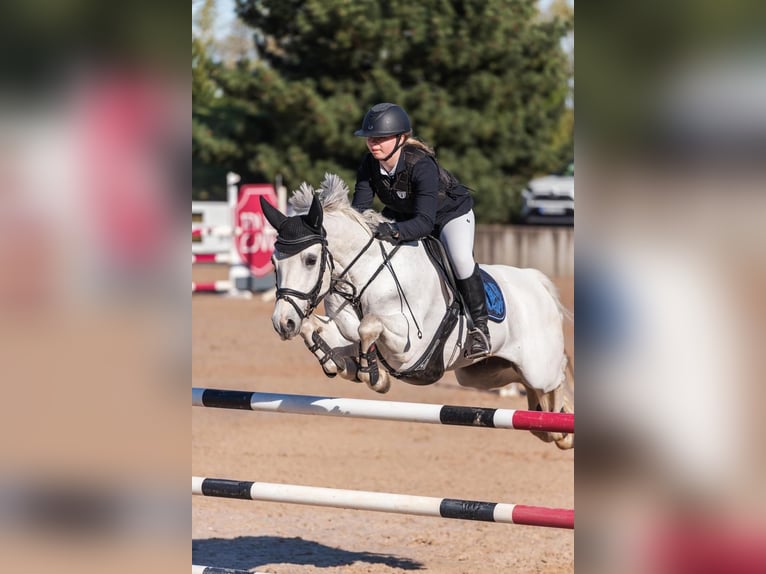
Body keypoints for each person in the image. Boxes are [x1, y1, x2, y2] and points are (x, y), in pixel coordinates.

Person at [352, 102, 490, 359]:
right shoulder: (369, 164)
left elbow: (425, 223)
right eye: (370, 138)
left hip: (448, 216)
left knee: (460, 259)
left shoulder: (421, 164)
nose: (373, 144)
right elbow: (359, 210)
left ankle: (480, 329)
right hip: (406, 214)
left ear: (402, 138)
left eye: (381, 138)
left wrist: (392, 231)